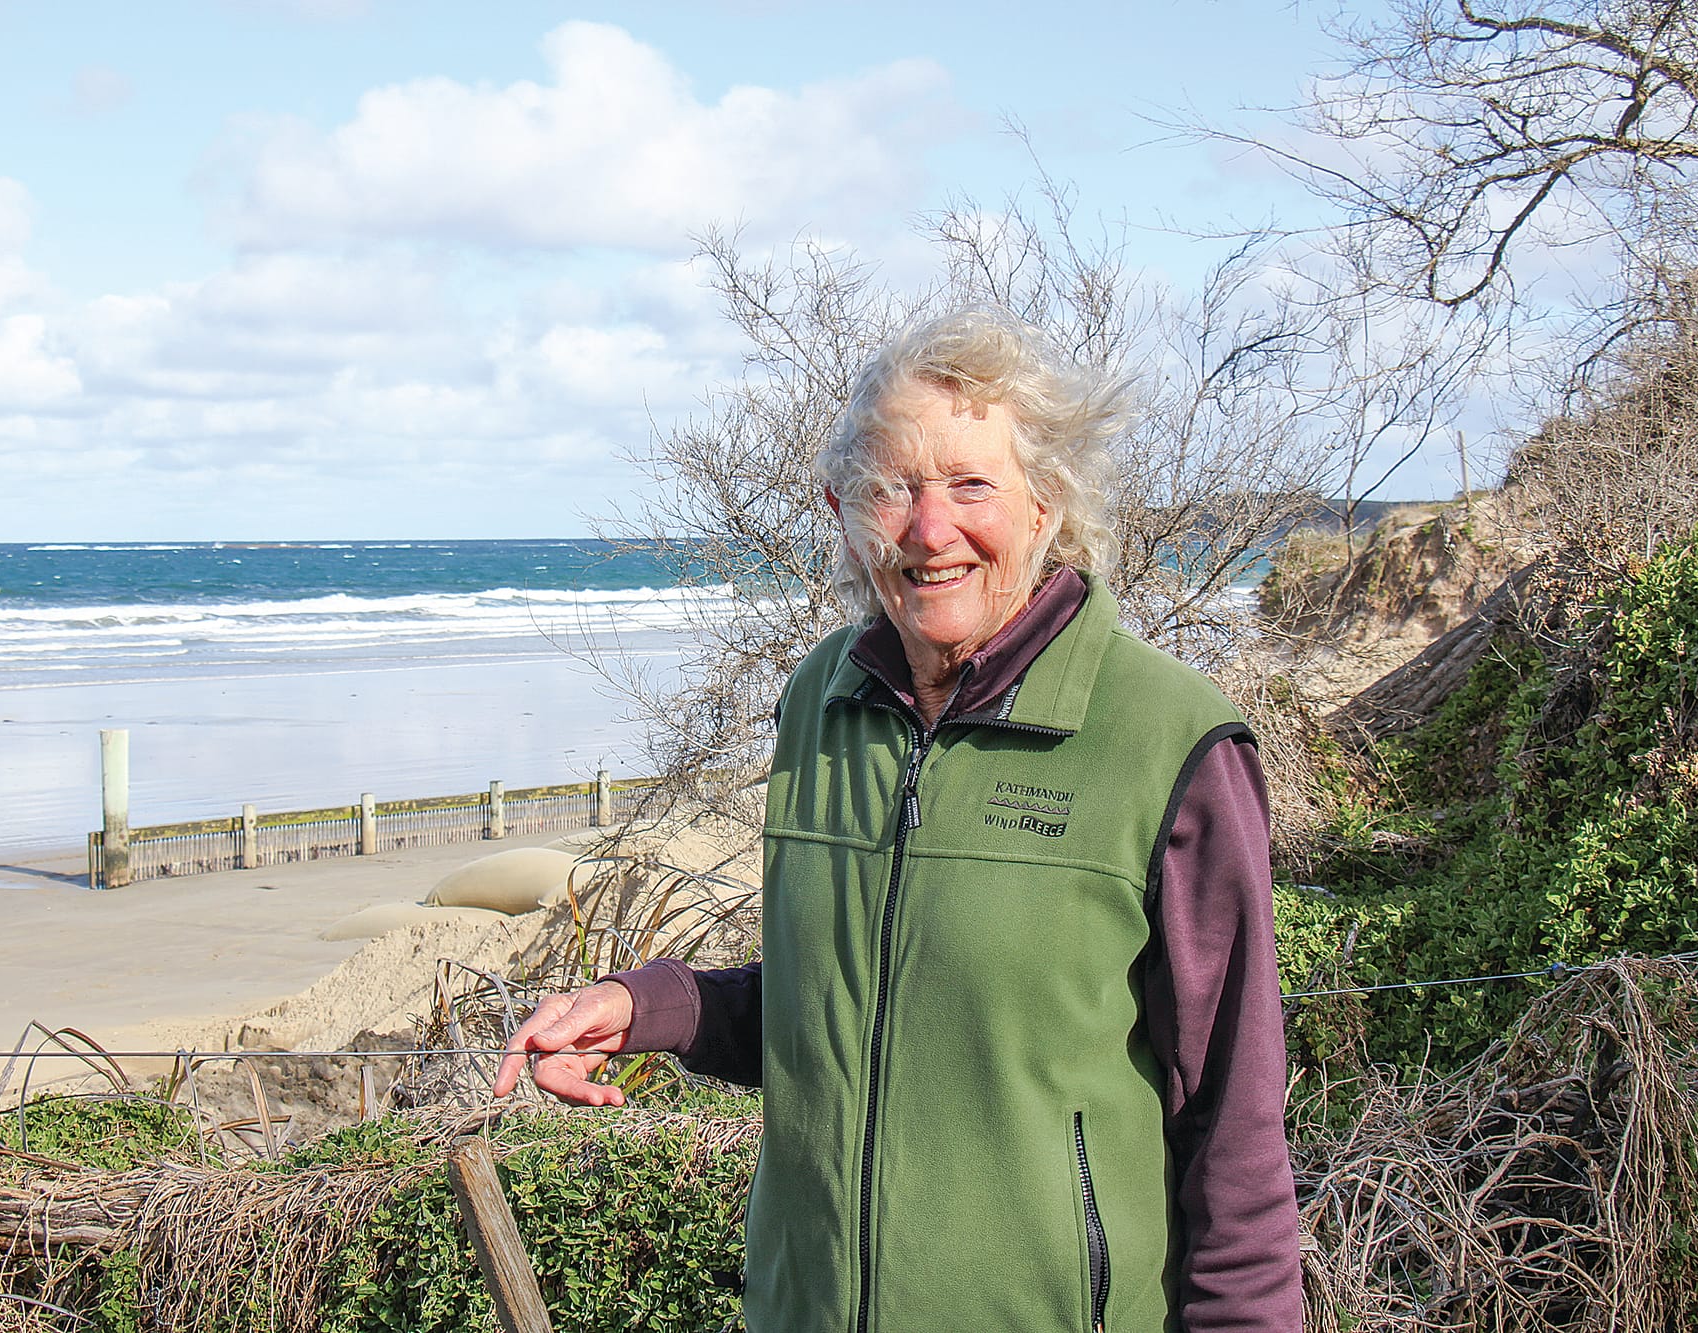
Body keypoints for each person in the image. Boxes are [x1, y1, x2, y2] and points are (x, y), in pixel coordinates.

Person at [494, 308, 1303, 1331]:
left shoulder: (1169, 739)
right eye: (891, 487)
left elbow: (1231, 1120)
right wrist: (645, 1007)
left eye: (971, 484)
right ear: (840, 508)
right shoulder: (818, 703)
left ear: (1044, 503)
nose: (928, 530)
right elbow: (843, 1011)